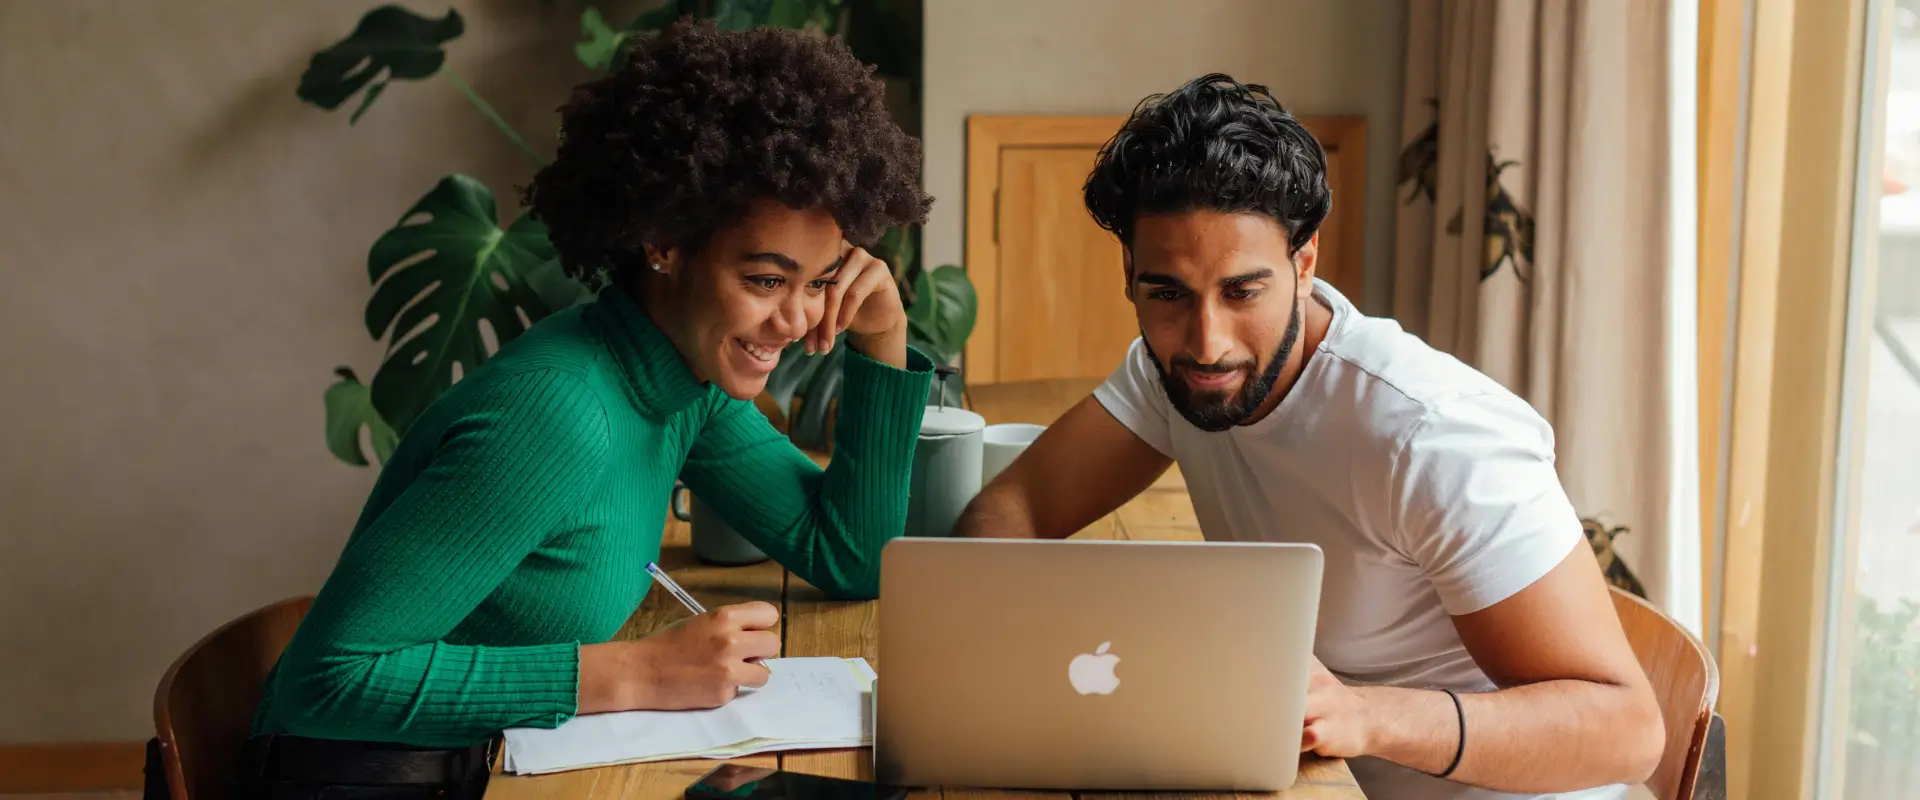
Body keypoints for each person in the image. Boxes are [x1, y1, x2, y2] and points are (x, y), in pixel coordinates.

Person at [240, 20, 934, 799]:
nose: (800, 320)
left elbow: (849, 556)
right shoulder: (556, 415)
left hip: (497, 765)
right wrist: (634, 671)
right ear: (665, 243)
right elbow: (326, 681)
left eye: (820, 281)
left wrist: (884, 336)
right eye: (767, 281)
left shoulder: (681, 384)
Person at [952, 74, 1665, 800]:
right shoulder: (1172, 373)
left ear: (1304, 263)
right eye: (1167, 293)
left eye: (1243, 291)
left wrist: (1367, 715)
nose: (1207, 342)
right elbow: (1016, 507)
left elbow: (1629, 730)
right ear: (1130, 274)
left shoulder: (1432, 434)